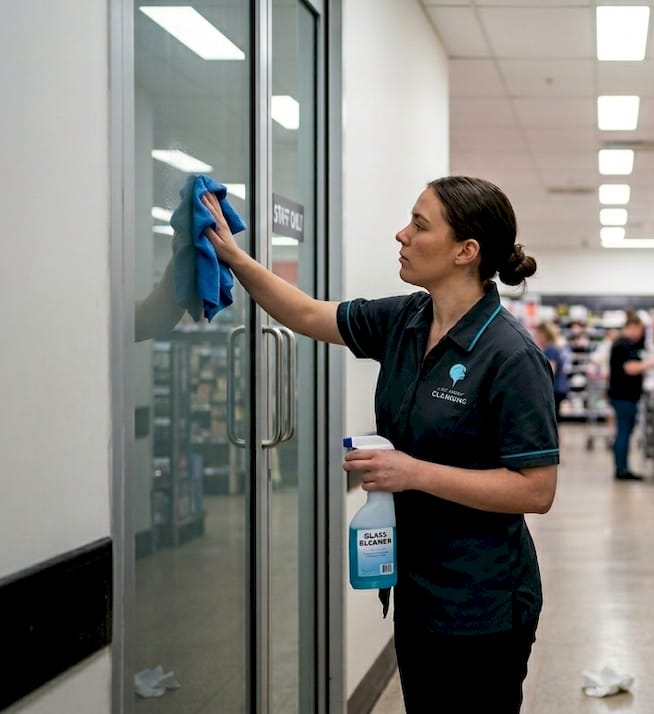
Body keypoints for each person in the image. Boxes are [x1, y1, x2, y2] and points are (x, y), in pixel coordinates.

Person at [198, 176, 558, 714]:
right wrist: (234, 257)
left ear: (466, 251)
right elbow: (306, 314)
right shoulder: (407, 320)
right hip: (417, 590)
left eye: (419, 225)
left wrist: (413, 473)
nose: (401, 235)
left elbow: (535, 490)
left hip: (482, 602)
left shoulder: (510, 356)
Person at [607, 312, 654, 480]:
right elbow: (630, 368)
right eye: (639, 329)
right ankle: (622, 469)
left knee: (625, 431)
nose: (640, 333)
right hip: (623, 396)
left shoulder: (627, 344)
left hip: (625, 396)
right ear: (631, 327)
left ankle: (622, 467)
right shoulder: (623, 344)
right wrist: (653, 362)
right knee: (624, 432)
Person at [535, 321, 572, 419]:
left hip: (554, 389)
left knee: (552, 418)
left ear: (544, 334)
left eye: (538, 334)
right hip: (560, 387)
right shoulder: (556, 347)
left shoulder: (550, 349)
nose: (536, 337)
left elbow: (550, 370)